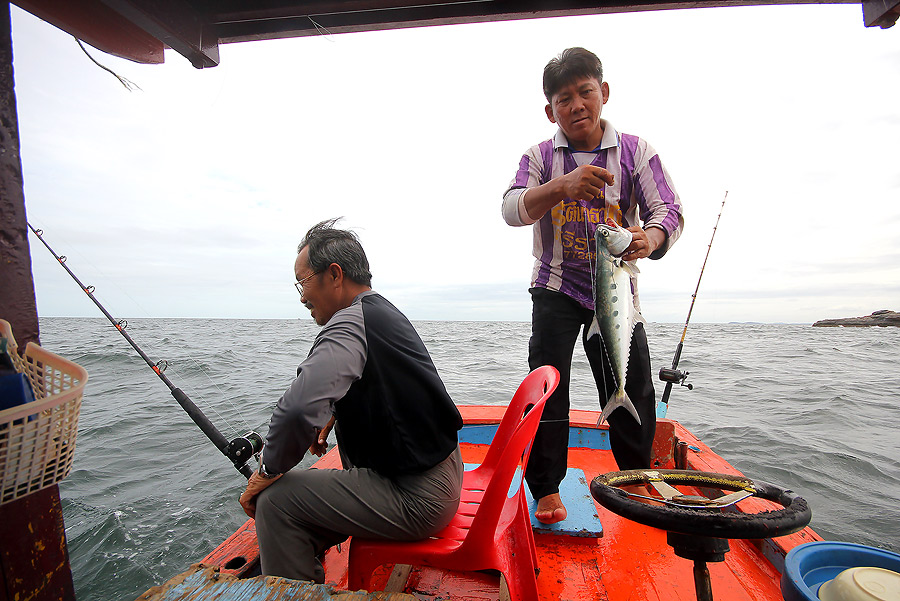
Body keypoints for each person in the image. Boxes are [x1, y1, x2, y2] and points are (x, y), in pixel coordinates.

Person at [502, 48, 684, 524]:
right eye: (564, 98)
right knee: (547, 387)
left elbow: (669, 210)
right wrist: (562, 186)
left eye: (586, 92)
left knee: (634, 383)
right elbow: (511, 208)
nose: (577, 104)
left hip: (619, 288)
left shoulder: (637, 152)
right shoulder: (539, 157)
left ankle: (636, 478)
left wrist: (652, 237)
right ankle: (545, 488)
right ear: (551, 110)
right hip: (556, 288)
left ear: (604, 93)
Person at [239, 218, 464, 582]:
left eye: (303, 281)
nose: (301, 296)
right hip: (446, 474)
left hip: (419, 498)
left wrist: (267, 472)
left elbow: (297, 410)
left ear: (334, 274)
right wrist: (335, 414)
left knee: (275, 501)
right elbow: (387, 387)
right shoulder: (381, 310)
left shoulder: (349, 322)